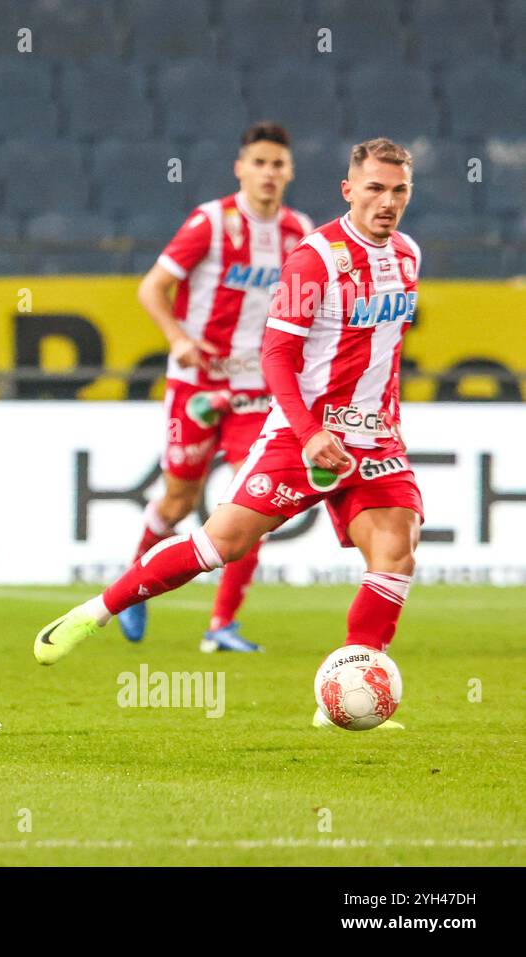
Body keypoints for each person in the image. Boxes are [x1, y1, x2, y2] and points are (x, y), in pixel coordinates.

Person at [37, 137, 422, 729]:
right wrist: (310, 430)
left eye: (398, 190)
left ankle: (347, 688)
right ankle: (98, 609)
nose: (387, 201)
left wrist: (379, 419)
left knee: (396, 550)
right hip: (303, 436)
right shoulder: (313, 258)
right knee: (221, 544)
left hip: (376, 442)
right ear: (349, 190)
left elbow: (382, 354)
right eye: (374, 188)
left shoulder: (409, 256)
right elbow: (276, 356)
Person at [120, 123, 313, 651]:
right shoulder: (210, 221)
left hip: (257, 389)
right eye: (260, 163)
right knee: (179, 500)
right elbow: (152, 288)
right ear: (240, 168)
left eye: (278, 164)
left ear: (289, 172)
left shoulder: (300, 233)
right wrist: (178, 338)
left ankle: (221, 625)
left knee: (256, 501)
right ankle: (132, 590)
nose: (269, 173)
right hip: (197, 384)